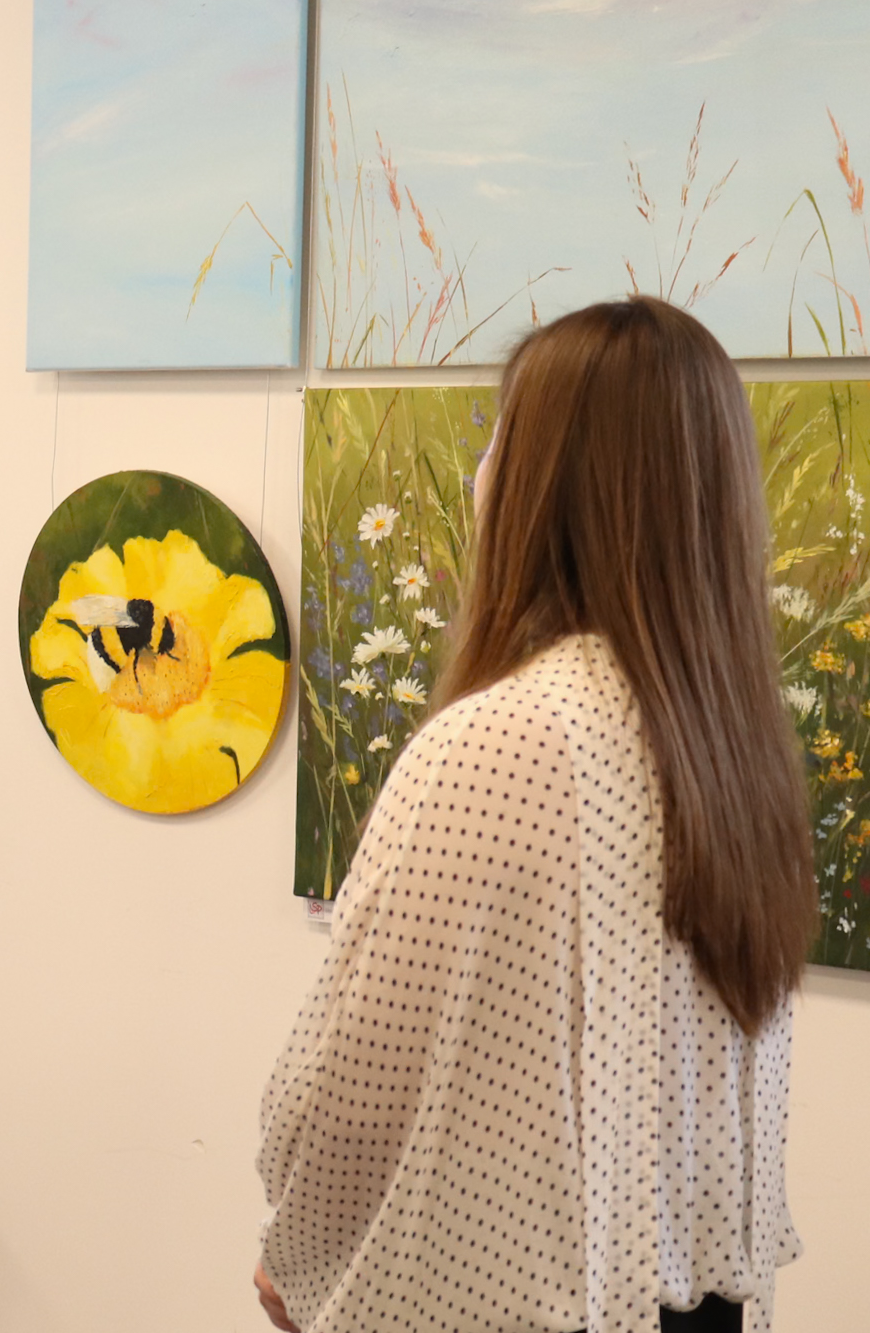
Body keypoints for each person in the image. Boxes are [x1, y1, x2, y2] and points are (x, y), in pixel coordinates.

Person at [255, 298, 813, 1333]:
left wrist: (301, 1252)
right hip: (689, 1302)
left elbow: (350, 1086)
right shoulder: (735, 751)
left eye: (499, 439)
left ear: (543, 485)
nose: (480, 473)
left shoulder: (498, 741)